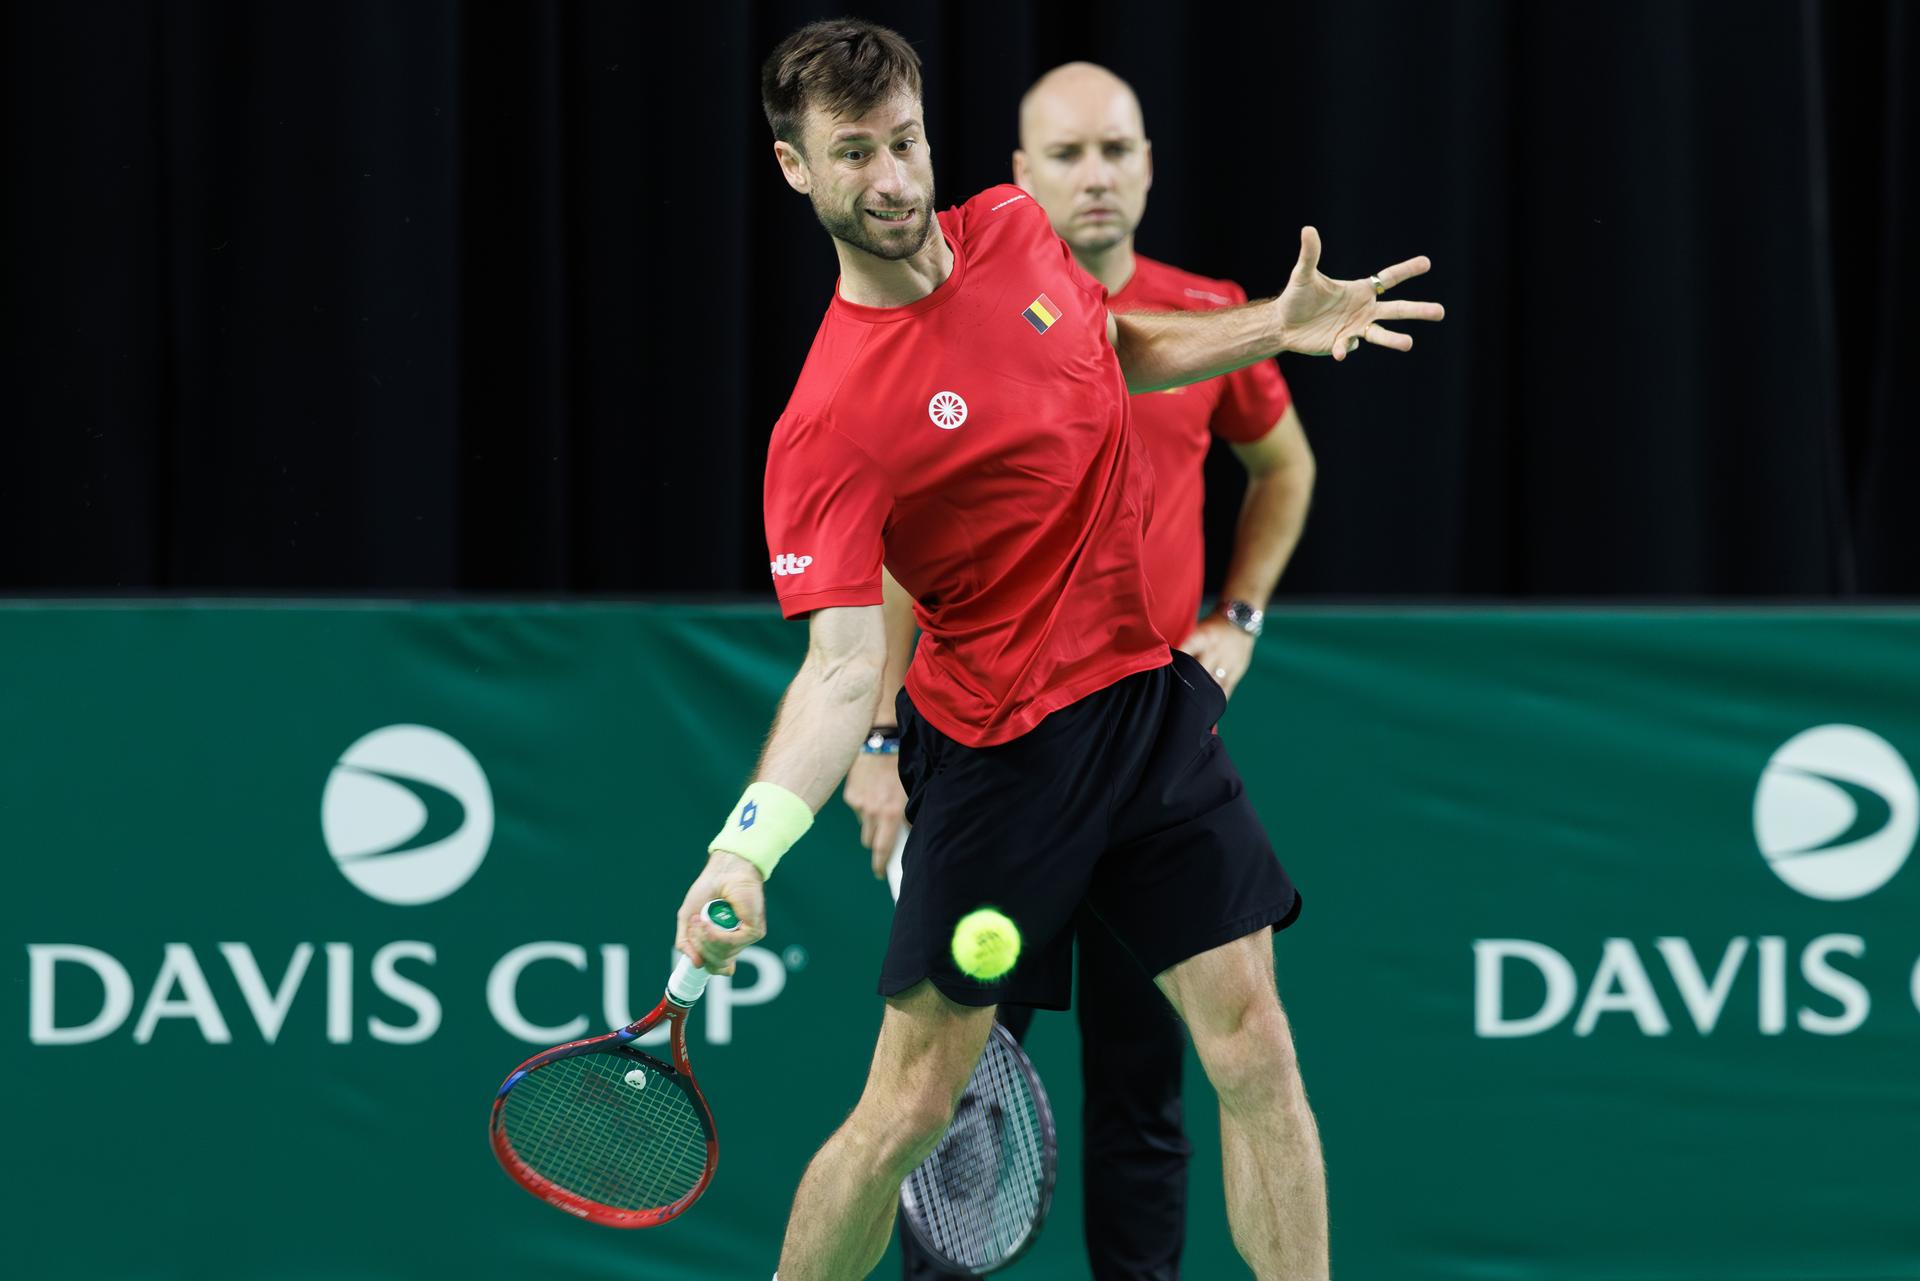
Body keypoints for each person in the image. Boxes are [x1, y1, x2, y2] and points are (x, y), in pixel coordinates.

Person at [672, 19, 1441, 1281]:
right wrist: (743, 850)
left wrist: (1272, 327)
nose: (894, 180)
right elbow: (841, 669)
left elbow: (1113, 350)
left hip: (1144, 709)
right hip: (996, 757)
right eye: (854, 153)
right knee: (907, 1115)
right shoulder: (828, 424)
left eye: (907, 140)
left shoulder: (1014, 231)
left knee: (1255, 1046)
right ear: (796, 168)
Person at [843, 60, 1318, 1281]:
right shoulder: (958, 318)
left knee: (1151, 1095)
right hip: (995, 749)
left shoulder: (1208, 315)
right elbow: (897, 555)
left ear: (1150, 164)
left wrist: (1239, 617)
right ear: (1021, 175)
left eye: (1117, 149)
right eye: (1068, 154)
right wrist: (882, 740)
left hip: (1148, 739)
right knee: (944, 1107)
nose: (1096, 175)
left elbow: (1285, 467)